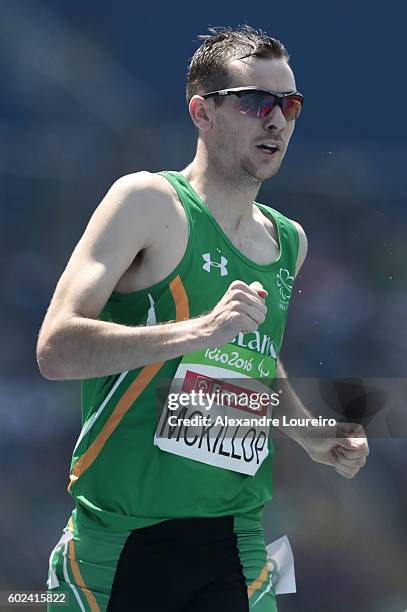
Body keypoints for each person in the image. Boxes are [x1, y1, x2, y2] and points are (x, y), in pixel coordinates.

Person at [37, 25, 369, 612]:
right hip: (120, 544)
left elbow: (252, 359)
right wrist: (195, 331)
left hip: (236, 542)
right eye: (257, 102)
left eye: (289, 105)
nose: (277, 120)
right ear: (202, 111)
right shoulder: (146, 202)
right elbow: (56, 349)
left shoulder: (288, 241)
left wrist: (309, 433)